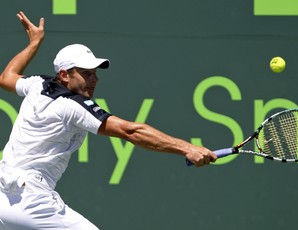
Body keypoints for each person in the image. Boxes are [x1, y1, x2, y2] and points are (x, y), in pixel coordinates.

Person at [0, 11, 217, 230]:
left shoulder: (37, 85)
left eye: (94, 73)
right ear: (65, 75)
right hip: (31, 200)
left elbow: (7, 77)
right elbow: (131, 132)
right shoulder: (73, 105)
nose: (94, 80)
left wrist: (34, 43)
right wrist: (186, 148)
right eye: (86, 73)